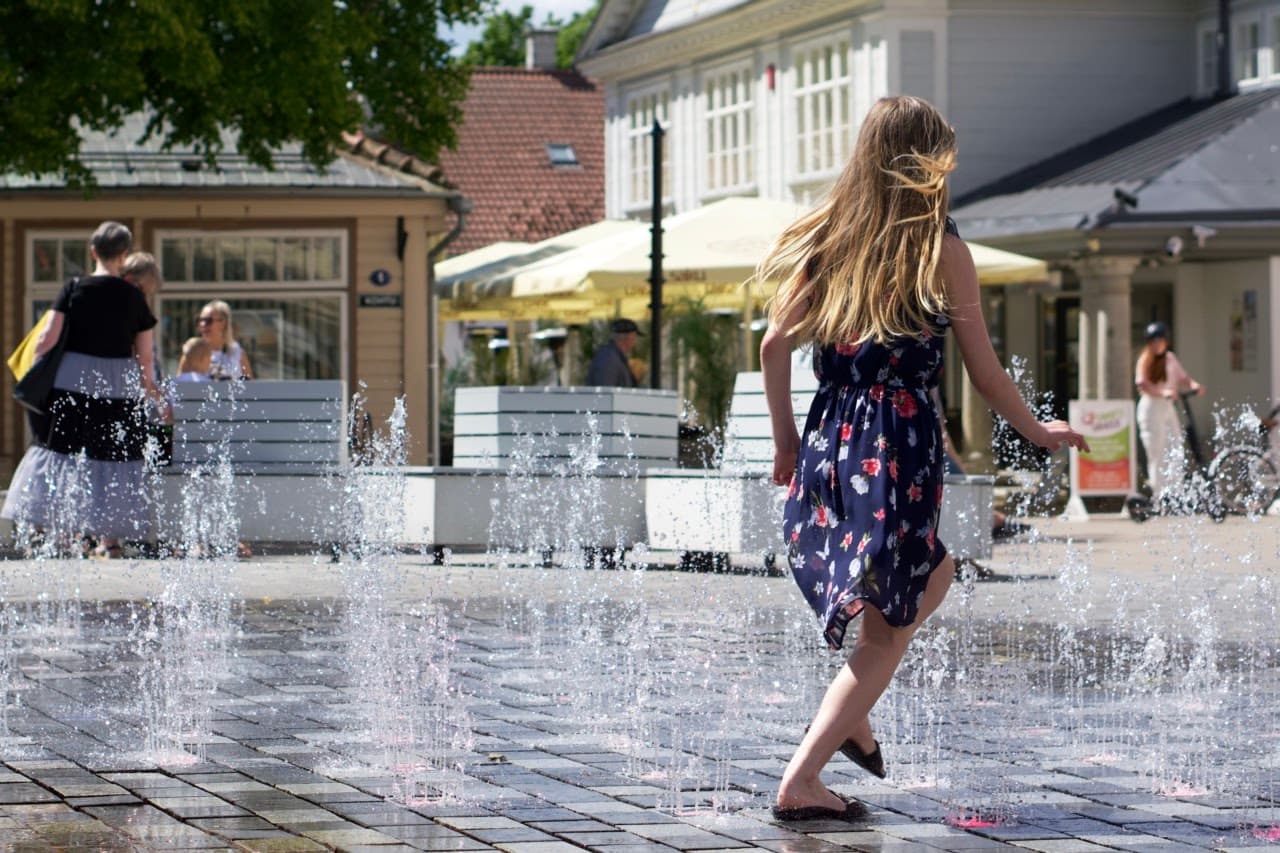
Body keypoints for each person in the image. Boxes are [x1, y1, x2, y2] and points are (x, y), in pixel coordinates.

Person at [757, 96, 1087, 821]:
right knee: (889, 622)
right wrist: (1039, 430)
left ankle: (852, 713)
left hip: (830, 439)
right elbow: (986, 372)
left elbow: (773, 345)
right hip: (895, 446)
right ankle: (803, 777)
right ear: (925, 164)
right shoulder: (938, 247)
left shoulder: (833, 240)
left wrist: (785, 440)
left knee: (929, 575)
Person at [1, 221, 165, 558]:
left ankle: (56, 534)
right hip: (117, 383)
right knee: (111, 455)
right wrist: (150, 390)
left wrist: (39, 367)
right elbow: (145, 358)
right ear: (123, 254)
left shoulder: (74, 287)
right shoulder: (134, 297)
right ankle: (110, 540)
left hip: (72, 378)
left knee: (61, 449)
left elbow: (46, 338)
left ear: (93, 251)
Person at [1134, 322, 1203, 500]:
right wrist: (1162, 392)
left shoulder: (1170, 358)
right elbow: (1143, 385)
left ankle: (1175, 493)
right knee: (1156, 451)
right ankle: (1158, 495)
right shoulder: (1144, 360)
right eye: (1153, 341)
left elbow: (1183, 377)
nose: (1157, 344)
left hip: (1167, 408)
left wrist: (1193, 385)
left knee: (1174, 446)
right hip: (1151, 408)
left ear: (1165, 342)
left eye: (1160, 340)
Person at [198, 299, 253, 380]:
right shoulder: (194, 352)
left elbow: (250, 387)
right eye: (200, 320)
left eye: (208, 320)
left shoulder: (237, 352)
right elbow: (181, 387)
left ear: (224, 322)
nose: (203, 325)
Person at [585, 318, 641, 387]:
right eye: (635, 338)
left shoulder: (613, 357)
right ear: (629, 338)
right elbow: (605, 390)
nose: (635, 342)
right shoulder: (608, 358)